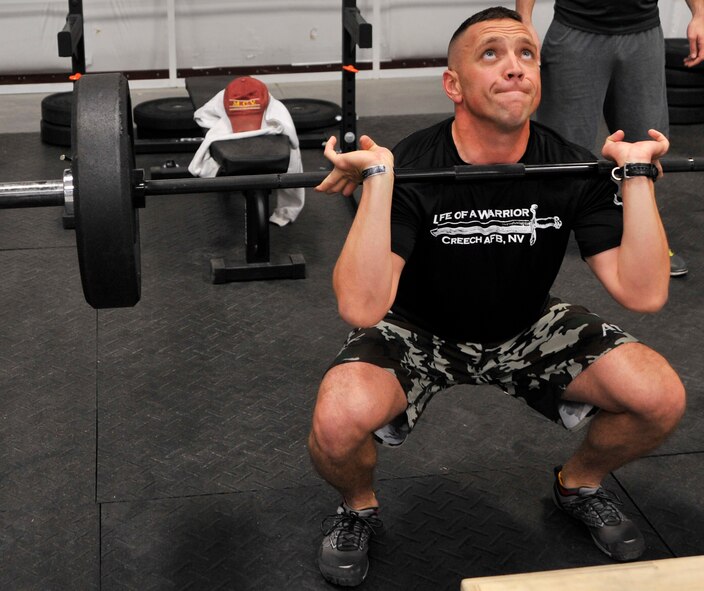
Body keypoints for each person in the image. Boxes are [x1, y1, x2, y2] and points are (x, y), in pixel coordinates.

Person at [308, 6, 686, 587]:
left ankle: (578, 485)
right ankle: (358, 507)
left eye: (526, 55)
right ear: (453, 85)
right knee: (337, 420)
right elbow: (362, 308)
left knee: (659, 396)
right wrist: (380, 182)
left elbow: (644, 291)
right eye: (492, 54)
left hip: (527, 325)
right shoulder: (411, 165)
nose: (514, 68)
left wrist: (634, 176)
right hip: (417, 328)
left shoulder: (570, 163)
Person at [515, 0, 704, 278]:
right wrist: (524, 19)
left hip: (643, 34)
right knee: (561, 150)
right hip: (575, 31)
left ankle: (646, 240)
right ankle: (543, 237)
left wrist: (699, 14)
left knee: (645, 144)